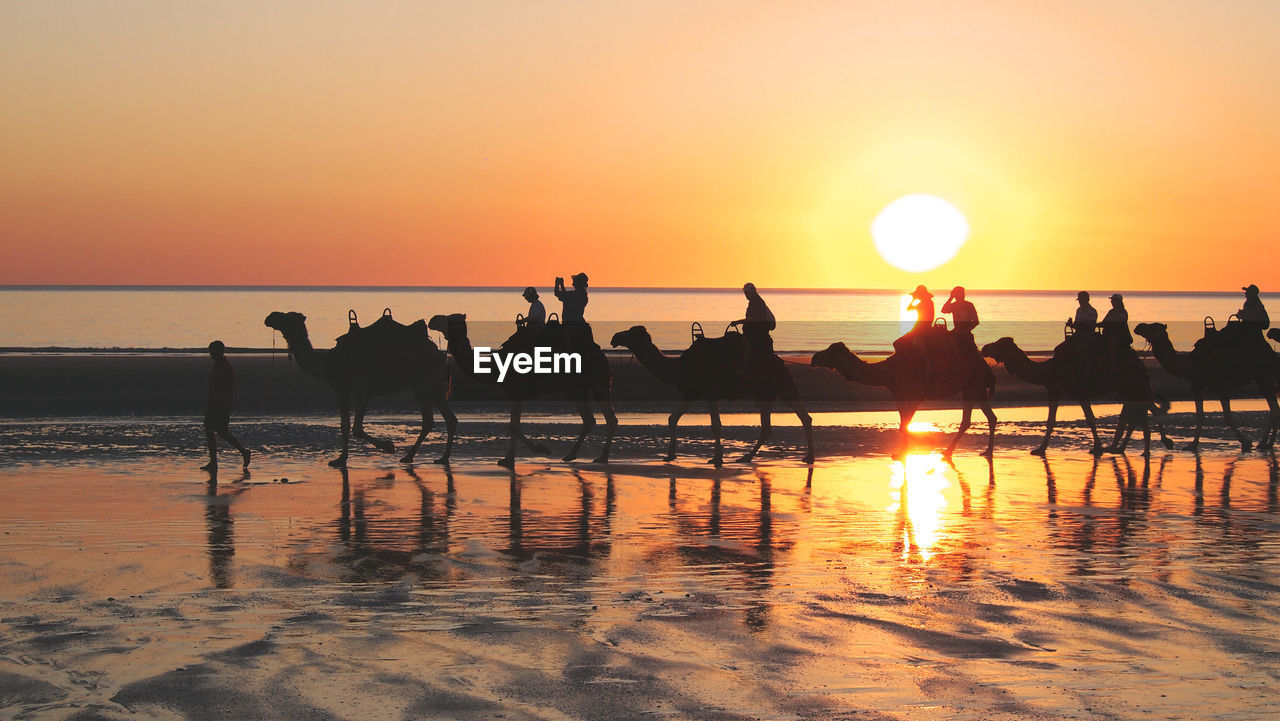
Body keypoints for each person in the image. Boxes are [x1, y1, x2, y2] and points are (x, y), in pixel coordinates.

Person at [202, 340, 250, 472]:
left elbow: (223, 388)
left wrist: (215, 403)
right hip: (217, 403)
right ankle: (214, 462)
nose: (210, 354)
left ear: (218, 352)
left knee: (220, 432)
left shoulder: (224, 366)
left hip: (220, 404)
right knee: (212, 430)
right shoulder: (219, 364)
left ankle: (243, 452)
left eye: (211, 351)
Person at [729, 282, 776, 365]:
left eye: (746, 293)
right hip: (758, 332)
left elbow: (752, 319)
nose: (746, 295)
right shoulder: (756, 300)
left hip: (756, 334)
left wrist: (737, 322)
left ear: (748, 293)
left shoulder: (755, 302)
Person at [554, 272, 591, 346]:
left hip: (569, 324)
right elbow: (564, 296)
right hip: (580, 323)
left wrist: (558, 284)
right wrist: (561, 285)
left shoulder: (573, 295)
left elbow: (559, 294)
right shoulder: (583, 295)